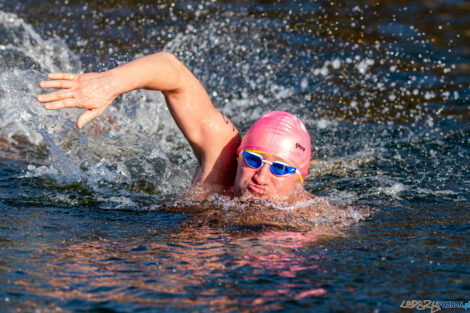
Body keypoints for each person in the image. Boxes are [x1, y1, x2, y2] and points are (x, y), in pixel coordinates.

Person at [36, 52, 313, 203]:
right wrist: (110, 84)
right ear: (240, 156)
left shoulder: (315, 221)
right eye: (253, 160)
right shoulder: (224, 159)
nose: (260, 178)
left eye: (279, 169)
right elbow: (173, 71)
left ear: (299, 178)